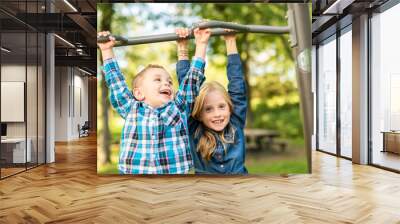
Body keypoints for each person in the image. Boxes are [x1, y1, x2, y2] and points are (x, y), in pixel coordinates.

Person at [97, 27, 211, 174]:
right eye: (157, 80)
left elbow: (193, 79)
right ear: (138, 93)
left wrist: (201, 44)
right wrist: (106, 51)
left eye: (169, 82)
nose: (166, 83)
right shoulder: (131, 108)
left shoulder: (178, 108)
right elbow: (115, 81)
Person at [176, 28, 248, 174]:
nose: (217, 114)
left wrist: (230, 41)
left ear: (230, 107)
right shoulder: (194, 129)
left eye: (221, 106)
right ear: (199, 114)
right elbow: (187, 87)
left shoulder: (235, 122)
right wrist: (182, 47)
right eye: (208, 109)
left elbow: (237, 84)